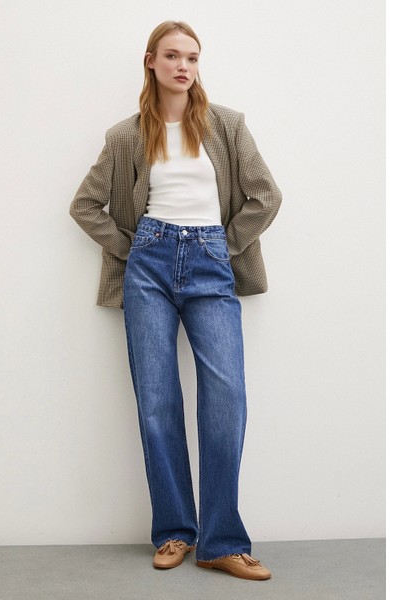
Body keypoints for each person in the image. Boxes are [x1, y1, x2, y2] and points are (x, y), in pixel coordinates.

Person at [70, 20, 282, 581]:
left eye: (191, 57)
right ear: (151, 61)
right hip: (149, 267)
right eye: (172, 55)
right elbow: (85, 205)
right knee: (157, 401)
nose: (183, 66)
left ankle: (222, 541)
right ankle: (173, 531)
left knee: (226, 399)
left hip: (211, 261)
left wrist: (222, 245)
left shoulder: (227, 125)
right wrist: (133, 247)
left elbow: (266, 195)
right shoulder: (125, 136)